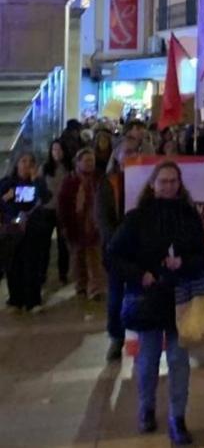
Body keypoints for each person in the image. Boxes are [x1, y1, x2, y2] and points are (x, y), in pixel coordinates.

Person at [107, 161, 204, 445]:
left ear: (180, 184)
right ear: (153, 184)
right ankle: (146, 409)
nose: (168, 186)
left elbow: (203, 254)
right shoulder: (136, 218)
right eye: (163, 181)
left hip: (180, 299)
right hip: (148, 300)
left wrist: (184, 262)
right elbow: (113, 255)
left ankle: (178, 418)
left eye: (173, 181)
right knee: (148, 359)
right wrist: (141, 275)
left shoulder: (189, 216)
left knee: (179, 361)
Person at [100, 120, 145, 362]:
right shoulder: (108, 184)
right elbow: (104, 219)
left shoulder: (145, 180)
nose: (131, 155)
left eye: (134, 151)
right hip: (117, 250)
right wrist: (116, 243)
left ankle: (139, 336)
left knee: (139, 294)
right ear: (117, 156)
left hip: (139, 250)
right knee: (116, 296)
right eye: (127, 152)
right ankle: (116, 338)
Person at [1, 153, 53, 312]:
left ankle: (33, 301)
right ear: (17, 164)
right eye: (23, 161)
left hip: (33, 228)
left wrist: (36, 180)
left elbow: (45, 197)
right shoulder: (7, 183)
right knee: (14, 266)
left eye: (31, 162)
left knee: (32, 264)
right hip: (12, 230)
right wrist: (5, 199)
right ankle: (16, 300)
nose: (27, 165)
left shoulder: (37, 182)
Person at [57, 148, 106, 300]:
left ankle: (96, 288)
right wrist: (64, 225)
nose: (90, 164)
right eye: (86, 161)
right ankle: (81, 286)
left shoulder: (99, 179)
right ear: (78, 163)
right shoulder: (70, 181)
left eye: (92, 160)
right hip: (75, 224)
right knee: (78, 258)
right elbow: (63, 204)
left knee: (95, 257)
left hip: (94, 224)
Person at [42, 139, 73, 285]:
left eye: (59, 150)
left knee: (63, 244)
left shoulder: (70, 167)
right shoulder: (45, 168)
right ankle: (42, 274)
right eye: (54, 150)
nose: (57, 153)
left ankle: (63, 273)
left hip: (64, 209)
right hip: (47, 209)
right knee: (44, 244)